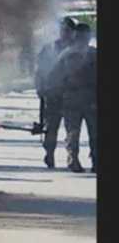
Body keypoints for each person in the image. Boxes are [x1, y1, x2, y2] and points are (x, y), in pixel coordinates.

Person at [49, 22, 96, 173]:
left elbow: (54, 77)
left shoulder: (66, 54)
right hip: (87, 99)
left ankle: (74, 160)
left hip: (75, 98)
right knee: (90, 132)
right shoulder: (93, 54)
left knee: (74, 132)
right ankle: (91, 161)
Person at [34, 17, 76, 168]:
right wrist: (39, 87)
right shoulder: (49, 48)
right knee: (51, 127)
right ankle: (49, 154)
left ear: (73, 32)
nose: (65, 33)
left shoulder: (77, 48)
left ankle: (72, 158)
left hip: (71, 95)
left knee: (72, 128)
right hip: (52, 94)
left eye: (68, 30)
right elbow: (39, 71)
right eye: (63, 30)